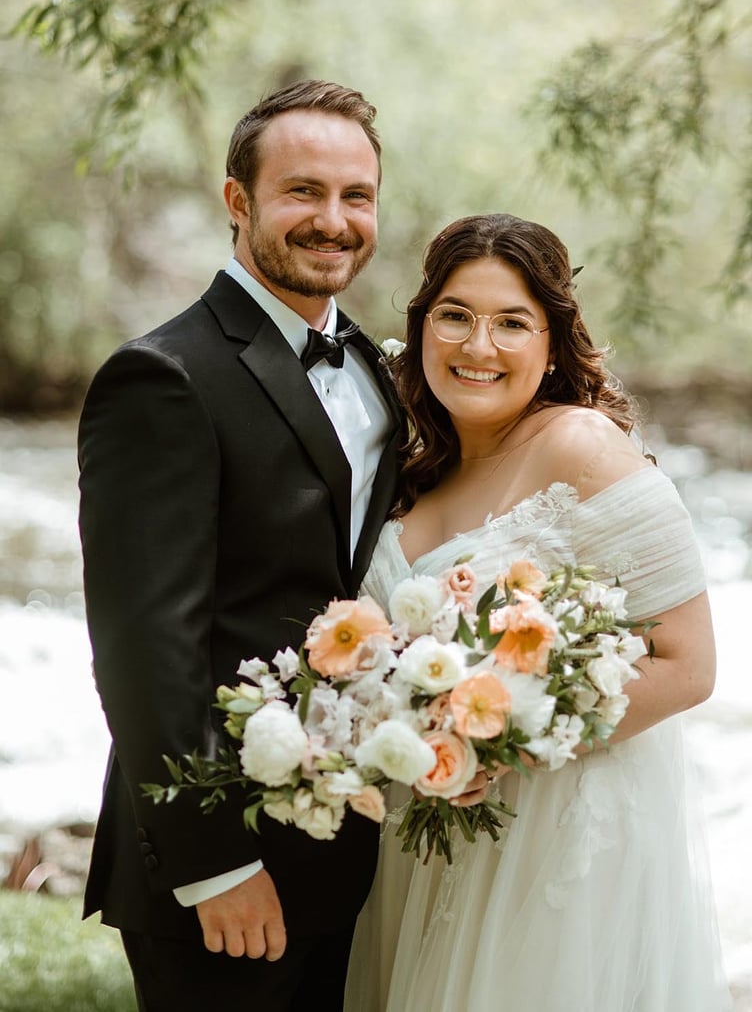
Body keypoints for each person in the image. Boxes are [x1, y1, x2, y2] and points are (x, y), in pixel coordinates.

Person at [345, 213, 732, 1011]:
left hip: (548, 844)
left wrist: (500, 742)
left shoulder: (581, 449)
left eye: (511, 322)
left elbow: (690, 664)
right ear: (421, 330)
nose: (477, 345)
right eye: (454, 315)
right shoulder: (412, 471)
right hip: (422, 838)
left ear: (552, 343)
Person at [78, 79, 404, 1011]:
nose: (333, 220)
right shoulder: (163, 378)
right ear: (239, 201)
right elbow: (144, 648)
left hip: (350, 843)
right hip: (219, 861)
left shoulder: (381, 374)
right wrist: (212, 860)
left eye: (357, 196)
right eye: (303, 191)